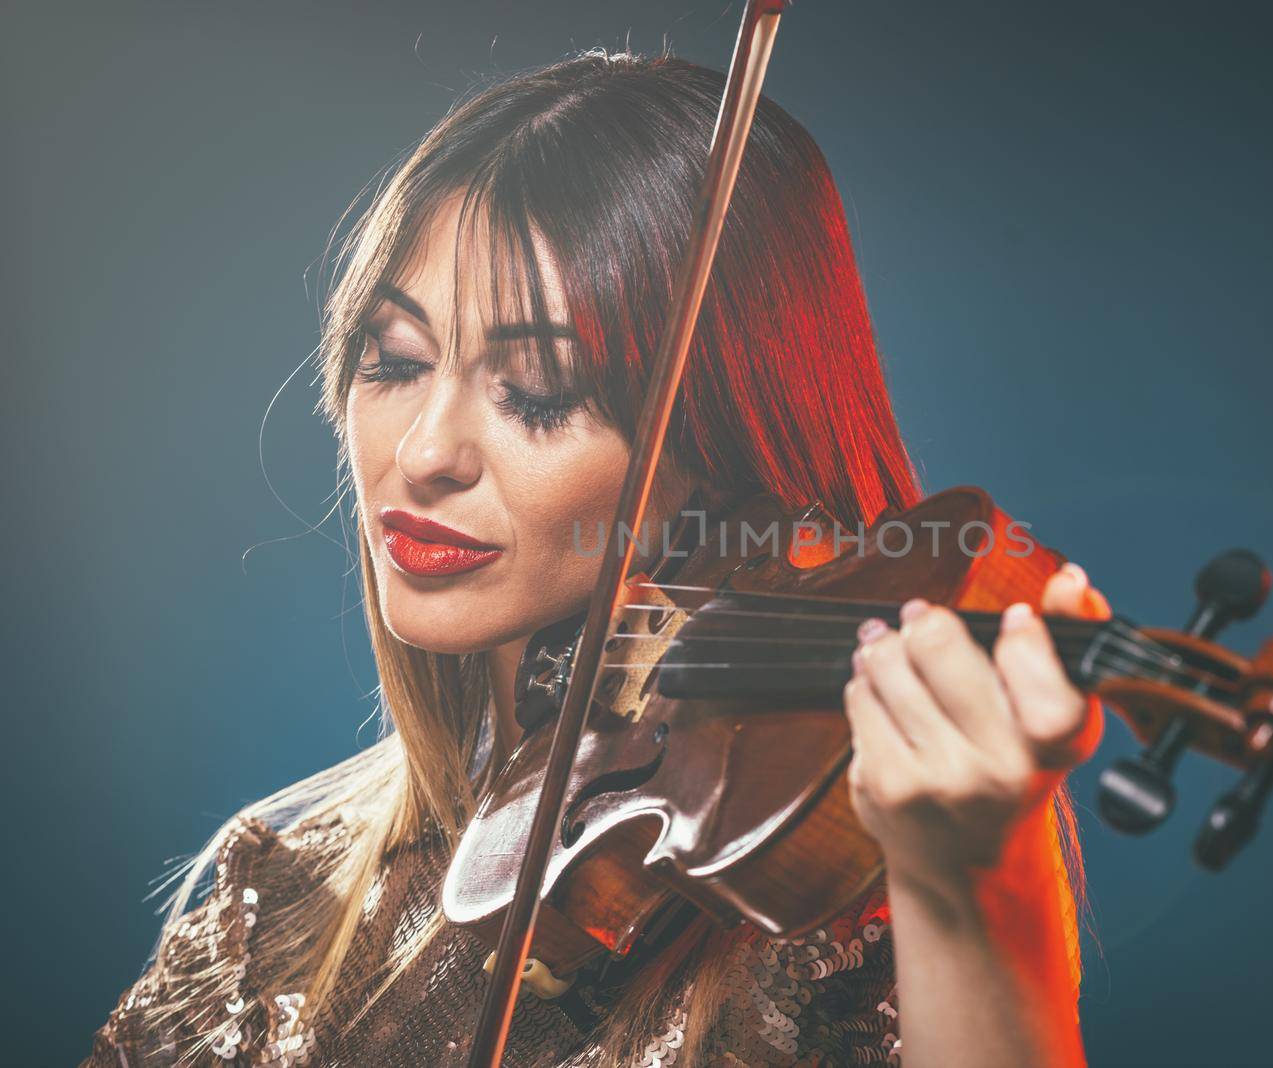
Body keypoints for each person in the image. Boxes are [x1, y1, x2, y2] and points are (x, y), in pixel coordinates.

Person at [83, 51, 1111, 1068]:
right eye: (392, 362)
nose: (422, 453)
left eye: (537, 393)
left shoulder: (838, 929)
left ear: (720, 452)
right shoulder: (273, 909)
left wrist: (974, 895)